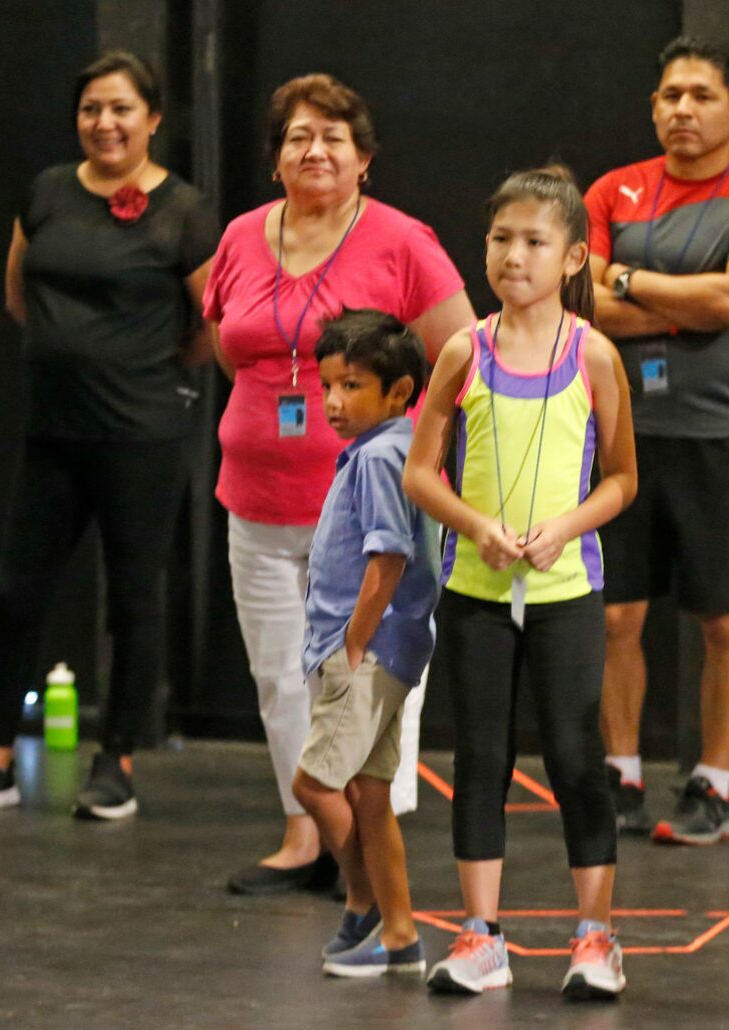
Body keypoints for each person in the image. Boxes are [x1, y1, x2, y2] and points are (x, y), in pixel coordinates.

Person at [203, 73, 474, 894]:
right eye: (297, 137)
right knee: (280, 677)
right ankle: (309, 838)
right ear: (275, 159)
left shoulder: (402, 241)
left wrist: (406, 455)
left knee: (365, 672)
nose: (313, 150)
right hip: (256, 500)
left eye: (333, 138)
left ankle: (370, 854)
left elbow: (460, 357)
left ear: (364, 160)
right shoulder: (243, 235)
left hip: (365, 510)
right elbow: (227, 345)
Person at [403, 167, 637, 1000]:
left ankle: (597, 936)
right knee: (481, 757)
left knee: (577, 757)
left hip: (565, 592)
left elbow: (621, 480)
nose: (513, 255)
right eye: (502, 238)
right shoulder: (464, 350)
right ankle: (482, 936)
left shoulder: (595, 355)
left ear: (573, 256)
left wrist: (564, 527)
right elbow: (421, 474)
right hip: (475, 591)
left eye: (535, 241)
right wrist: (477, 526)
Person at [0, 51, 219, 818]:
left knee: (135, 601)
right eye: (90, 110)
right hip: (52, 430)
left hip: (140, 434)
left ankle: (118, 762)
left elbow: (208, 327)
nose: (104, 123)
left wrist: (142, 372)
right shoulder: (47, 192)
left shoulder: (182, 210)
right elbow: (20, 294)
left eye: (119, 109)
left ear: (152, 118)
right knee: (17, 594)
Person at [585, 36, 729, 844]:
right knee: (614, 619)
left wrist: (631, 282)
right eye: (670, 95)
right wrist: (692, 303)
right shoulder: (613, 190)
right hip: (620, 434)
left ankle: (713, 785)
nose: (682, 109)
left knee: (725, 623)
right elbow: (579, 301)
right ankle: (621, 774)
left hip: (722, 435)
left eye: (701, 96)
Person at [291, 309, 437, 977]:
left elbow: (389, 557)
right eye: (327, 387)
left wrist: (351, 643)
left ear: (400, 393)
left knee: (315, 785)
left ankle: (370, 908)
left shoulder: (381, 456)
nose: (333, 402)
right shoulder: (390, 449)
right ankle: (397, 933)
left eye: (351, 386)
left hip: (366, 653)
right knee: (370, 795)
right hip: (383, 649)